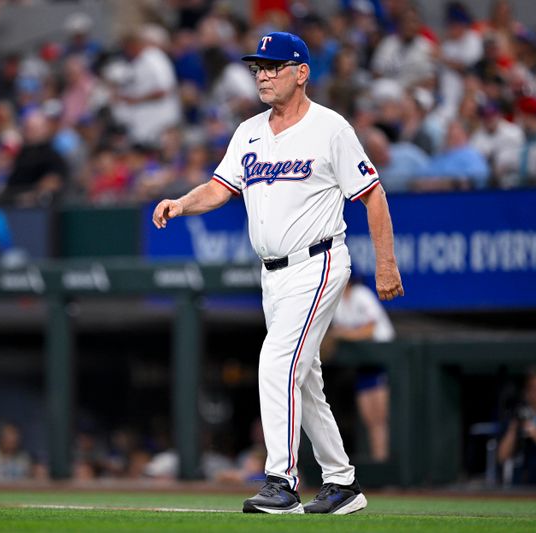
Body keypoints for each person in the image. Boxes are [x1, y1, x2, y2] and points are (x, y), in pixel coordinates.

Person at [152, 32, 403, 515]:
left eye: (274, 66)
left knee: (277, 362)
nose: (263, 75)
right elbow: (221, 187)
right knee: (304, 380)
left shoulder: (331, 128)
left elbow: (373, 194)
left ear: (301, 72)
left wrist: (386, 263)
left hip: (319, 260)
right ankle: (342, 483)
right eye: (258, 67)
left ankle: (281, 481)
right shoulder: (249, 131)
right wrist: (182, 203)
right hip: (273, 274)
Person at [326, 278, 395, 462]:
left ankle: (384, 465)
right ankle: (377, 463)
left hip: (384, 358)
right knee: (369, 420)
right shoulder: (337, 302)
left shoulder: (361, 294)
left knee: (380, 418)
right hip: (363, 363)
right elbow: (335, 332)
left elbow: (370, 330)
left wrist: (344, 334)